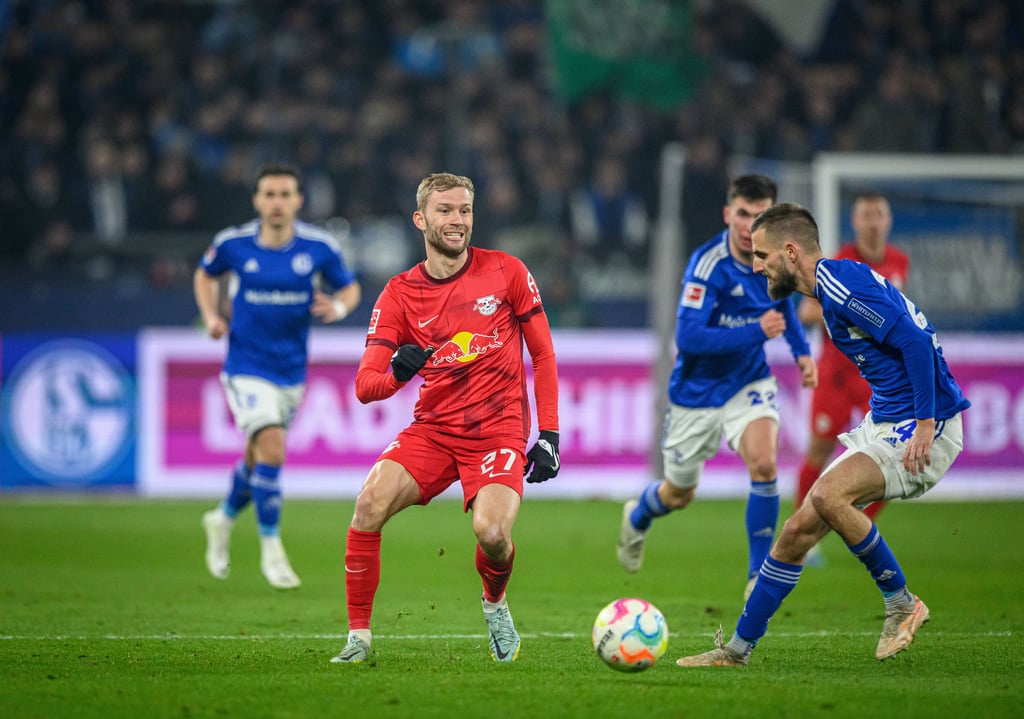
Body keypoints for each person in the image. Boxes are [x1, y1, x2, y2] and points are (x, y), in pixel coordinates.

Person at [676, 203, 970, 667]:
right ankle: (736, 652)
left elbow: (914, 340)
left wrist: (927, 423)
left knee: (831, 497)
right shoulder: (830, 289)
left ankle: (902, 603)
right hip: (887, 420)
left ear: (791, 252)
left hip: (923, 423)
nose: (756, 266)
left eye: (763, 256)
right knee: (796, 531)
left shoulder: (838, 285)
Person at [330, 172, 560, 665]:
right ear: (421, 219)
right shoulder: (398, 294)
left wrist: (550, 433)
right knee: (368, 504)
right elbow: (366, 386)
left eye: (465, 211)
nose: (457, 221)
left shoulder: (506, 272)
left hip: (498, 429)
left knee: (493, 535)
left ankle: (494, 603)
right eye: (445, 211)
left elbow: (543, 356)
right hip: (434, 430)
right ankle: (358, 638)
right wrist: (397, 373)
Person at [616, 174, 817, 601]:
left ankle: (757, 576)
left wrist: (801, 352)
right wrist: (756, 331)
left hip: (748, 382)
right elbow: (689, 339)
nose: (748, 225)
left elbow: (783, 306)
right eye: (742, 213)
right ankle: (638, 514)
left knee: (764, 465)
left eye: (758, 215)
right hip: (697, 394)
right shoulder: (707, 265)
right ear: (728, 214)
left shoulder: (773, 261)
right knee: (678, 493)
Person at [194, 162, 362, 589]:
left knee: (258, 457)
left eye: (285, 194)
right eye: (269, 194)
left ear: (298, 201)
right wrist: (212, 315)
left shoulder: (318, 247)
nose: (277, 202)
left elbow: (349, 287)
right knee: (272, 445)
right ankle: (272, 549)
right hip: (245, 367)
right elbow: (204, 273)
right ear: (256, 200)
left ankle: (223, 518)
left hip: (290, 372)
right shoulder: (233, 244)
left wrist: (339, 308)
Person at [795, 192, 910, 565]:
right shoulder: (838, 262)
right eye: (866, 215)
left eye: (879, 213)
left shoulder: (899, 262)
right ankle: (804, 536)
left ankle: (854, 525)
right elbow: (807, 312)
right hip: (836, 373)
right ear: (855, 222)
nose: (873, 221)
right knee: (819, 451)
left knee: (893, 456)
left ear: (889, 220)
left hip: (875, 378)